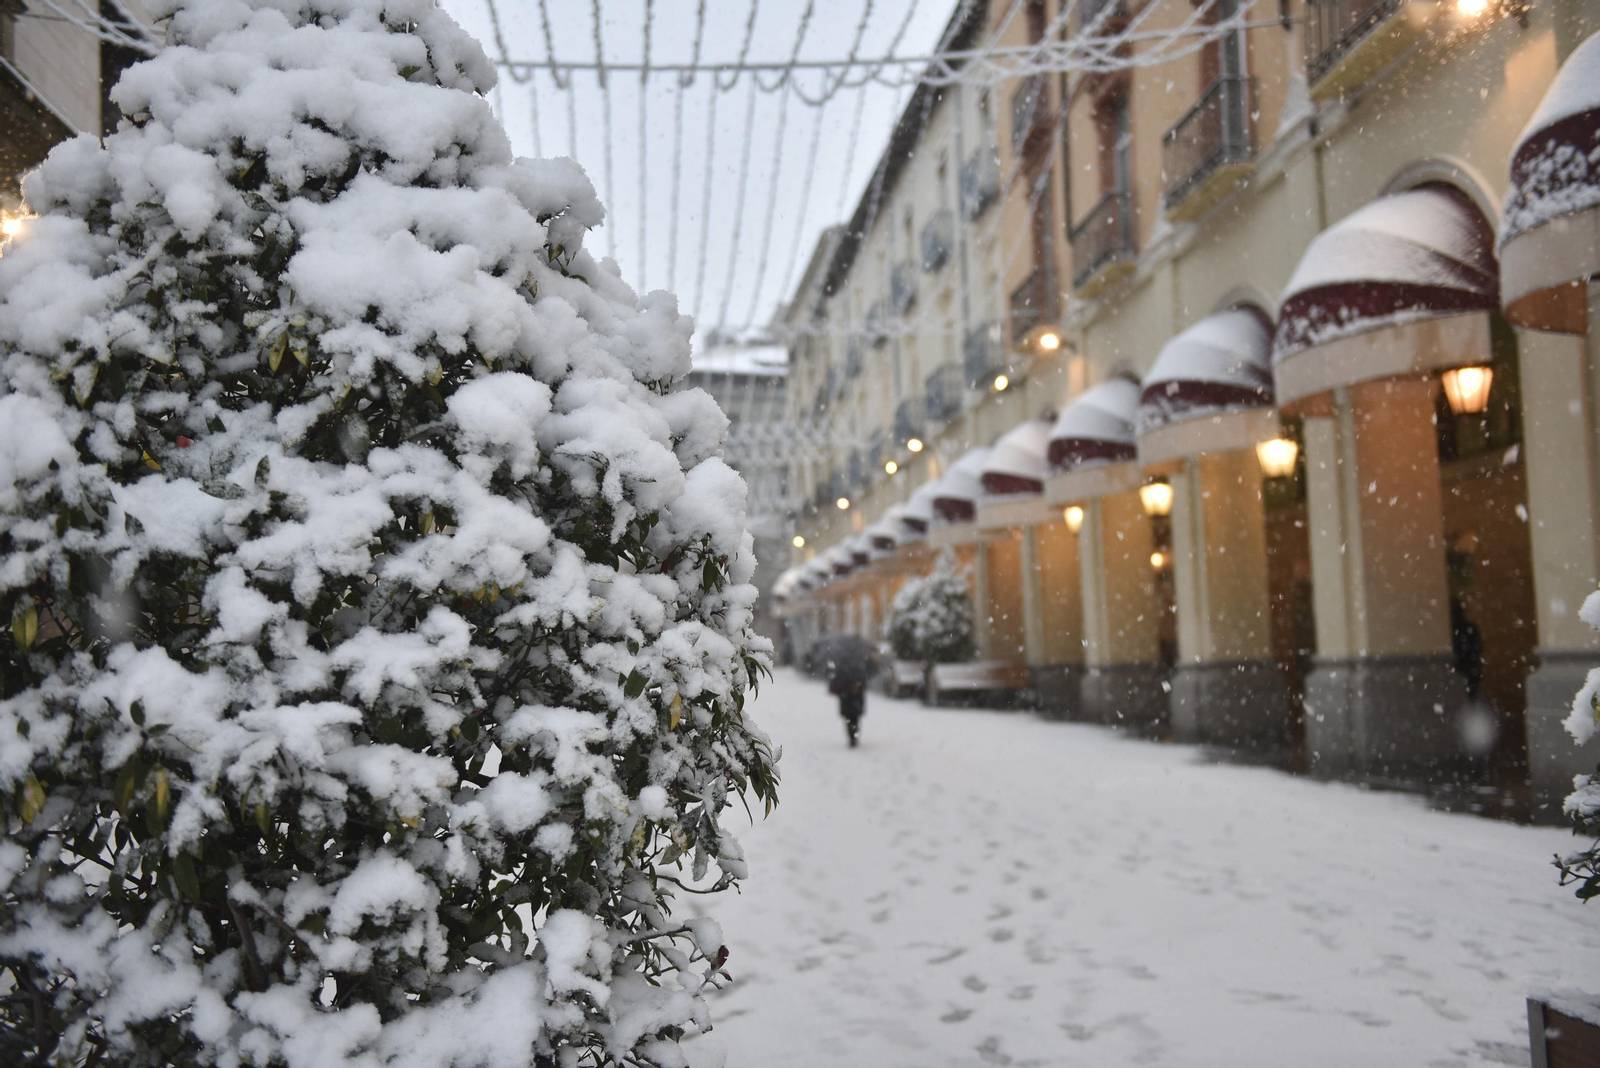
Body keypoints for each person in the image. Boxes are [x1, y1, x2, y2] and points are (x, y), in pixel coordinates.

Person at [821, 636, 880, 747]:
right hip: (856, 690)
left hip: (846, 691)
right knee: (855, 716)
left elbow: (835, 672)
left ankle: (851, 735)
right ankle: (854, 735)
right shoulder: (862, 656)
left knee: (849, 715)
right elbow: (871, 669)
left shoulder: (842, 656)